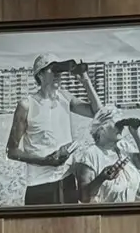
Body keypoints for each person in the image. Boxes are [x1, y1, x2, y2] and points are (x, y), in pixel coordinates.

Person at [6, 56, 96, 205]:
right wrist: (46, 161)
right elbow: (11, 151)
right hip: (40, 184)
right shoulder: (27, 105)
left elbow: (96, 112)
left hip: (67, 180)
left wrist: (85, 80)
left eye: (59, 70)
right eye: (53, 69)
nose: (58, 74)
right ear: (40, 75)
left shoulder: (65, 97)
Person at [64, 108, 140, 205]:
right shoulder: (89, 156)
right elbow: (84, 197)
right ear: (102, 128)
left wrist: (137, 135)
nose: (121, 128)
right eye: (117, 124)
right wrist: (101, 178)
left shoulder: (123, 147)